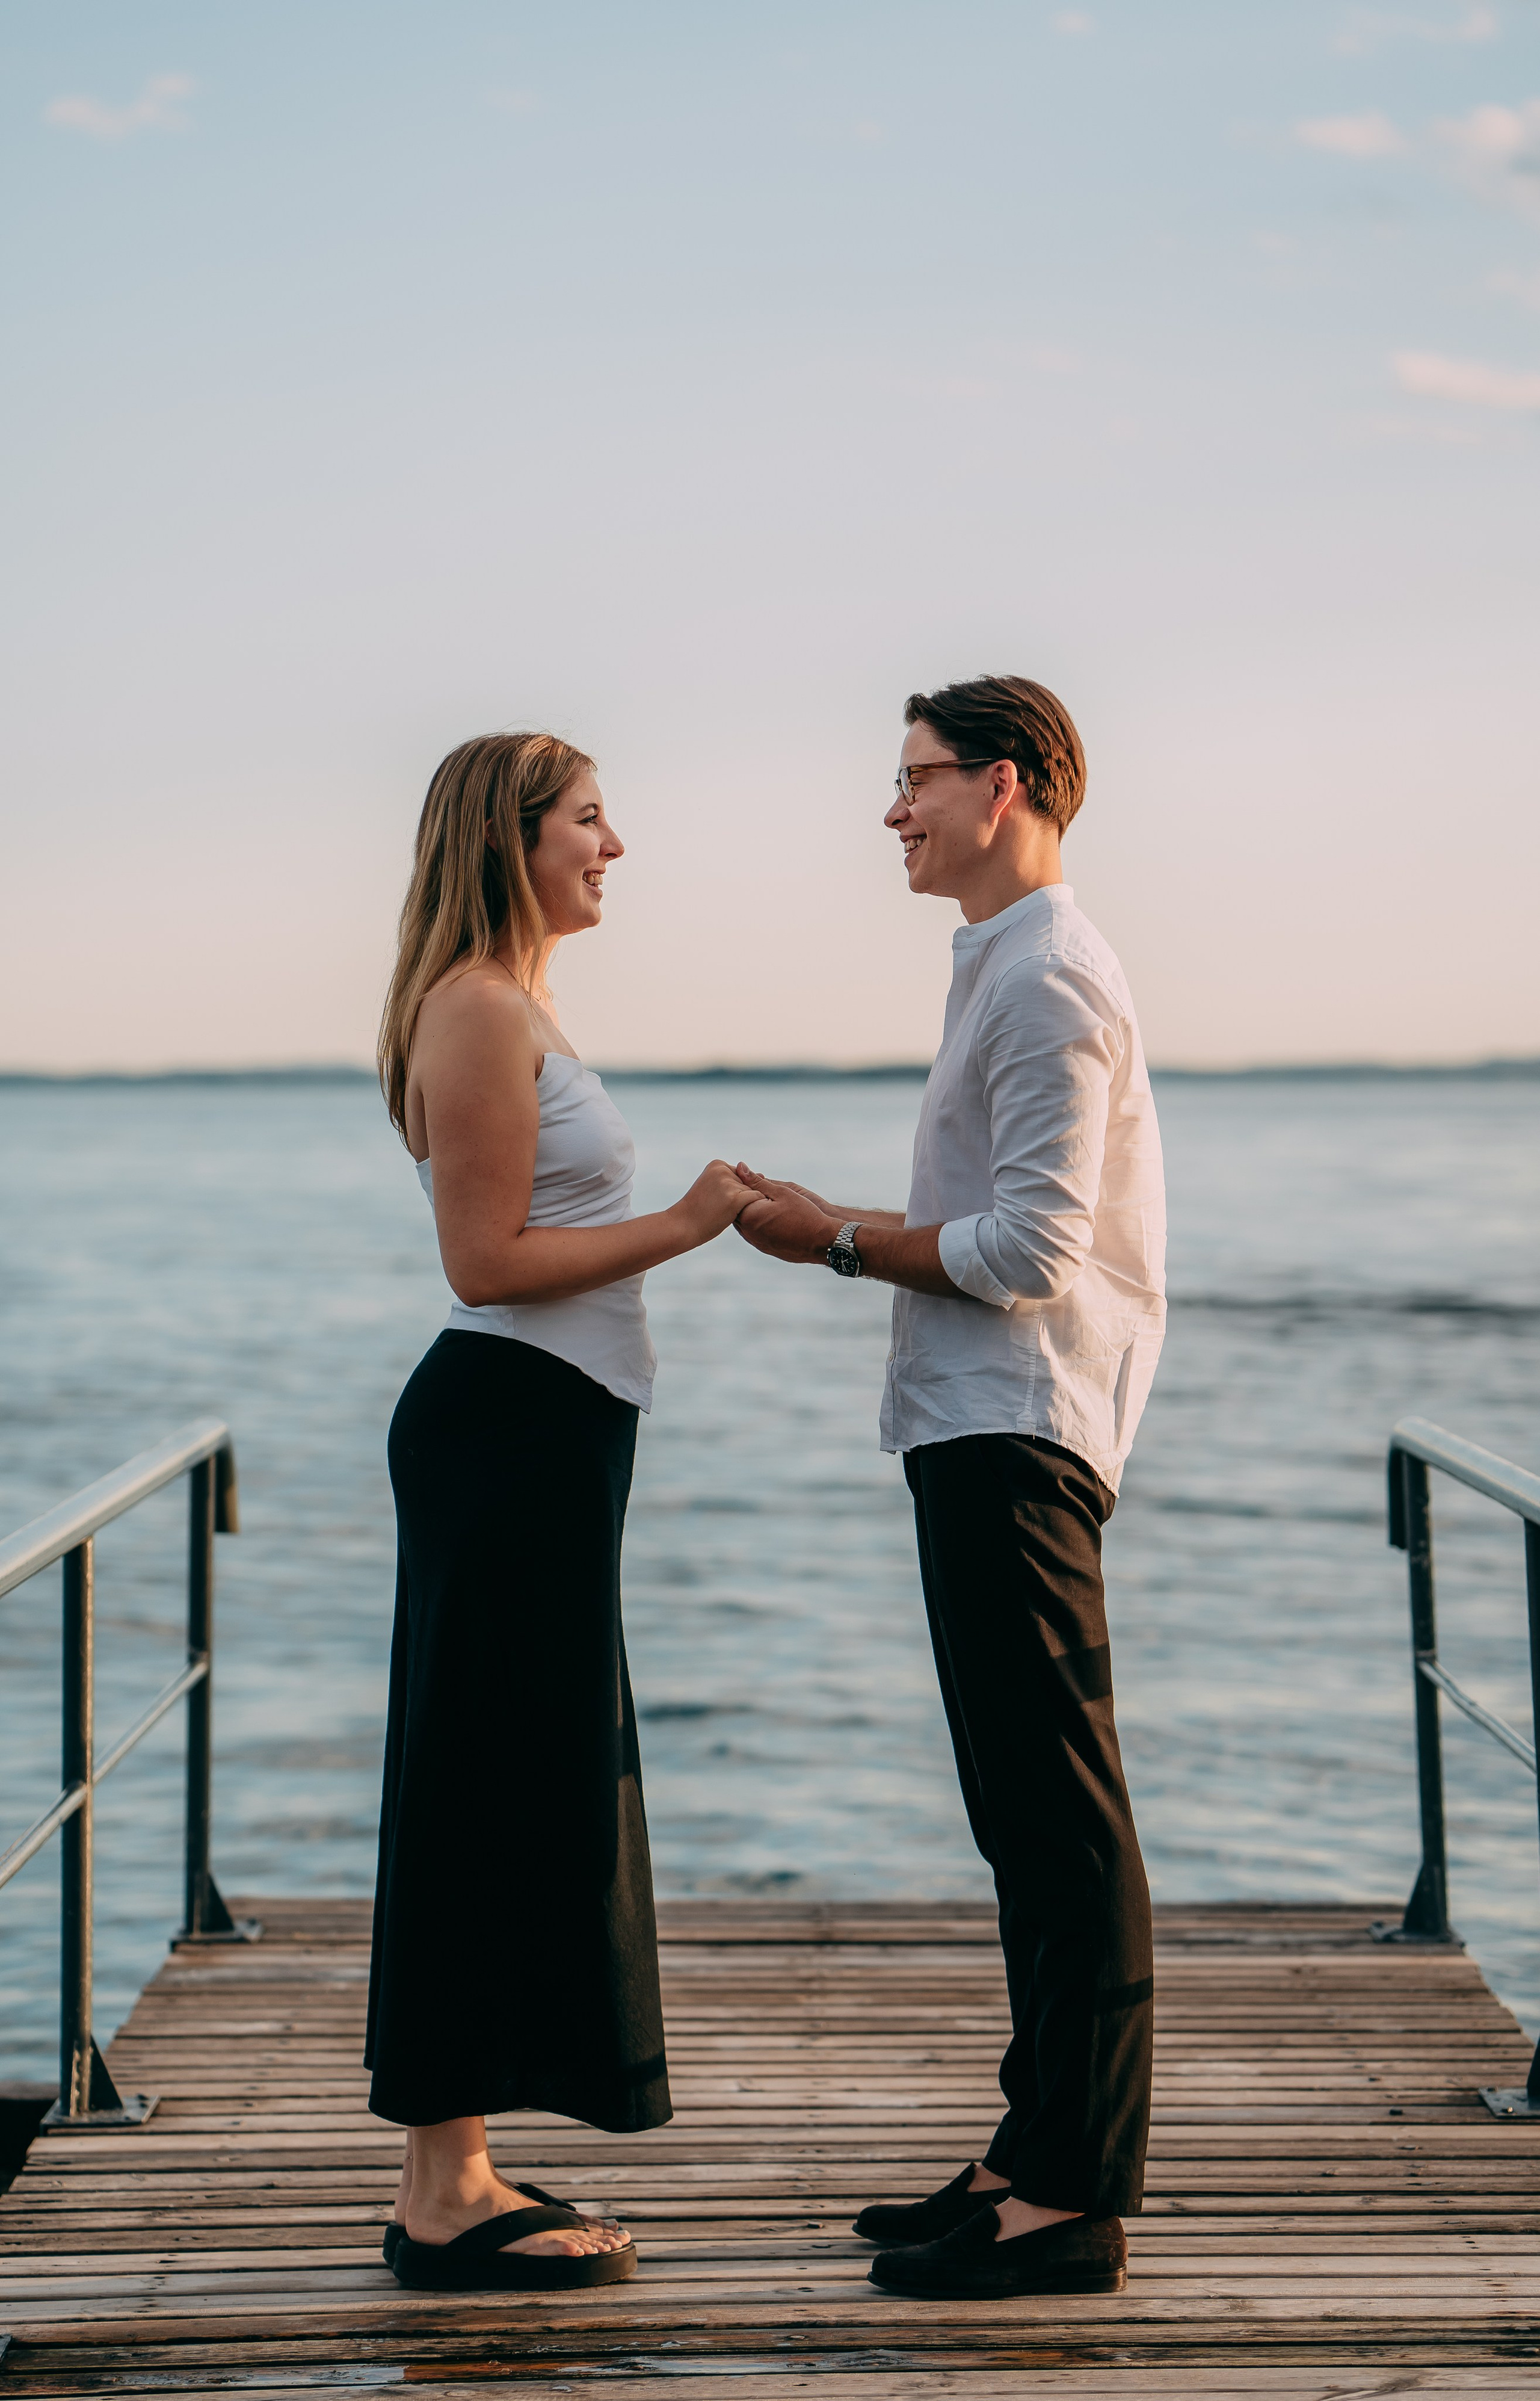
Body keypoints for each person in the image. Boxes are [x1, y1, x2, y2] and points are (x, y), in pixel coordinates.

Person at [733, 675, 1166, 2302]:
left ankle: (1076, 2199)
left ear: (1008, 785)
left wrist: (831, 1236)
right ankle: (1026, 2147)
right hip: (976, 1423)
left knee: (1060, 1818)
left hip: (1021, 1424)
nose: (893, 810)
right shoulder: (1002, 962)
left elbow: (1033, 1253)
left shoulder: (1052, 975)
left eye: (916, 780)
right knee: (1019, 1814)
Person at [366, 731, 753, 2294]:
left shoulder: (514, 1003)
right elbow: (486, 1262)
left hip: (552, 1436)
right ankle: (440, 2192)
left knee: (522, 1781)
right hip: (506, 1430)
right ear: (510, 836)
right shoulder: (472, 1004)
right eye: (591, 820)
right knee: (480, 1782)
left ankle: (455, 2164)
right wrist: (693, 1220)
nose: (615, 847)